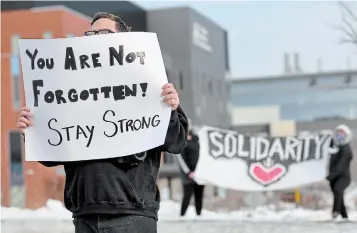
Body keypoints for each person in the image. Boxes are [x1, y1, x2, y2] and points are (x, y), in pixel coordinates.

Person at [17, 12, 188, 233]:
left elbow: (177, 142)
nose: (95, 37)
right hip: (85, 215)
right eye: (91, 33)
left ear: (123, 40)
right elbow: (51, 157)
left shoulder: (149, 82)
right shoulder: (68, 89)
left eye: (104, 33)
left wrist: (170, 109)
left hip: (131, 214)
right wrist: (33, 130)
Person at [326, 124, 354, 220]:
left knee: (338, 190)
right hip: (333, 177)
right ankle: (344, 215)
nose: (339, 135)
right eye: (338, 133)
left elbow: (341, 164)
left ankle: (336, 212)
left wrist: (333, 174)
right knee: (338, 194)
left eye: (342, 133)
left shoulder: (346, 149)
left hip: (343, 177)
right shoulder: (333, 146)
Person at [175, 127, 204, 216]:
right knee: (187, 196)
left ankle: (199, 215)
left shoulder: (198, 142)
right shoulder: (182, 143)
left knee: (199, 196)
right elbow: (181, 159)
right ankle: (182, 215)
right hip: (187, 175)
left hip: (198, 174)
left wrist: (200, 171)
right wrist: (188, 172)